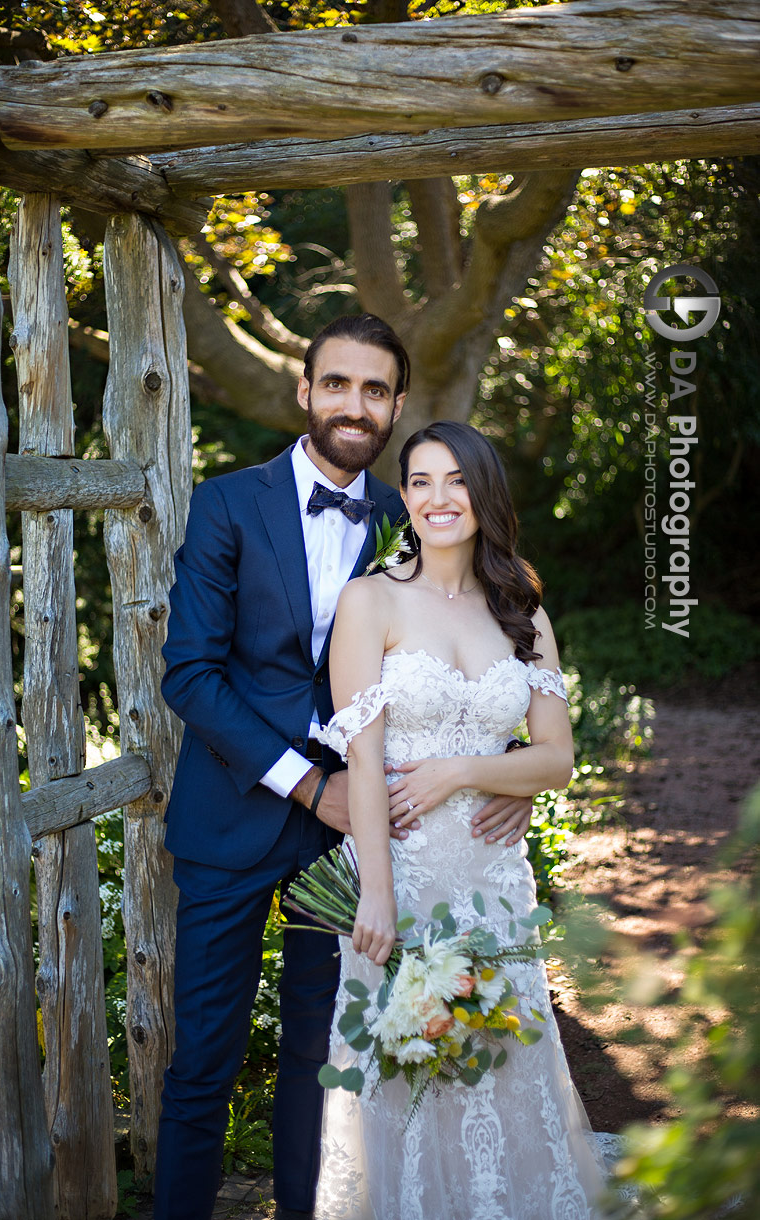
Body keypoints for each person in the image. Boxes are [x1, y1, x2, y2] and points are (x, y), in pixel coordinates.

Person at [154, 317, 533, 1220]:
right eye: (337, 385)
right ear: (305, 391)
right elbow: (192, 675)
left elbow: (486, 652)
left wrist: (505, 766)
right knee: (203, 1054)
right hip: (237, 815)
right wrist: (307, 782)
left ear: (397, 405)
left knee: (324, 1062)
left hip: (367, 837)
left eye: (374, 391)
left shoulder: (420, 515)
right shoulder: (228, 505)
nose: (353, 406)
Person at [314, 420, 607, 1220]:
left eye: (455, 480)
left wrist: (460, 771)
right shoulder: (369, 600)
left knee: (505, 1064)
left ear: (484, 493)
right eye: (419, 481)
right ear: (402, 495)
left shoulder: (522, 610)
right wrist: (375, 894)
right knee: (408, 1075)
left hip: (493, 887)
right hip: (400, 877)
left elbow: (555, 760)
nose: (438, 498)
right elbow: (363, 764)